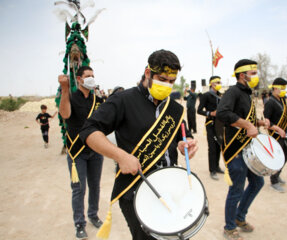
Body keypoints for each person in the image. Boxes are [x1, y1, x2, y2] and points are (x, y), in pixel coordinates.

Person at [79, 49, 198, 240]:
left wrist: (185, 143)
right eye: (162, 78)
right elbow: (88, 131)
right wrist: (120, 156)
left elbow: (181, 135)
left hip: (169, 185)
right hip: (136, 190)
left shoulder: (174, 109)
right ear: (148, 73)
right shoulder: (123, 100)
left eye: (171, 81)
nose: (167, 84)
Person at [217, 59, 268, 240]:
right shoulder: (233, 91)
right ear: (242, 75)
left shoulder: (247, 93)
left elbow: (244, 117)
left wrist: (259, 123)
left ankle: (239, 217)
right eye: (252, 73)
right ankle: (229, 227)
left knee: (257, 183)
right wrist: (247, 124)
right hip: (235, 148)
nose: (255, 76)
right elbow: (222, 113)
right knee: (236, 189)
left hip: (248, 148)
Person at [58, 66, 104, 240]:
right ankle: (79, 223)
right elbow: (65, 114)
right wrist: (64, 90)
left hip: (96, 152)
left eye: (93, 75)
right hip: (77, 153)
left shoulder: (97, 100)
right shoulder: (69, 97)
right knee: (79, 189)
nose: (91, 78)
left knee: (95, 186)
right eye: (87, 76)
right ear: (79, 79)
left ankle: (93, 214)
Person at [263, 78, 287, 193]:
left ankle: (277, 175)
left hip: (284, 133)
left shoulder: (282, 100)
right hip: (276, 134)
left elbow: (282, 116)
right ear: (276, 88)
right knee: (278, 157)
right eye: (282, 88)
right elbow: (267, 122)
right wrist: (278, 129)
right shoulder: (269, 102)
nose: (284, 90)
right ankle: (274, 181)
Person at [197, 76, 224, 180]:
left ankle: (217, 167)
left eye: (220, 82)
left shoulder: (220, 96)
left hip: (220, 125)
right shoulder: (206, 95)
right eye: (217, 82)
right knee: (212, 147)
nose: (219, 83)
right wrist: (210, 113)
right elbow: (199, 110)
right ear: (212, 84)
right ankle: (212, 170)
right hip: (210, 124)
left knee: (218, 146)